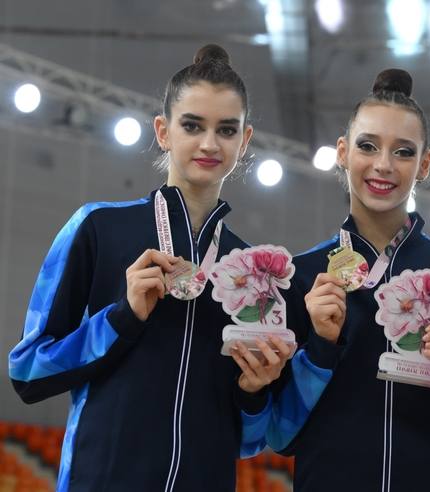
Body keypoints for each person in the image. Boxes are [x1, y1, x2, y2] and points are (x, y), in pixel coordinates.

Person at [8, 44, 290, 491]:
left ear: (245, 140)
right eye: (192, 125)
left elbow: (251, 443)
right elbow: (27, 372)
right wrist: (123, 317)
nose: (209, 143)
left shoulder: (253, 273)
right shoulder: (97, 227)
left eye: (226, 129)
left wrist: (254, 390)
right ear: (163, 131)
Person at [260, 69, 430, 491]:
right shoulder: (300, 276)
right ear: (343, 152)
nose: (383, 165)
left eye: (403, 152)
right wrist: (320, 348)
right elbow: (279, 435)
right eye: (368, 146)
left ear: (424, 165)